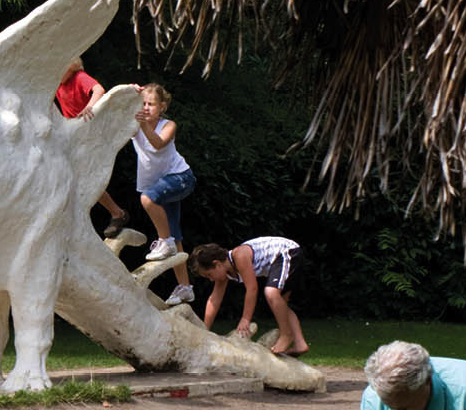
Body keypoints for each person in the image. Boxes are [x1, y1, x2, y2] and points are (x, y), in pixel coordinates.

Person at [188, 237, 309, 356]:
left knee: (271, 292)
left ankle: (286, 335)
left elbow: (252, 288)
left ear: (217, 264)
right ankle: (300, 343)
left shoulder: (239, 256)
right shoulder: (224, 273)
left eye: (209, 275)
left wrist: (245, 318)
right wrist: (204, 330)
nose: (210, 279)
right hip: (279, 260)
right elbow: (214, 299)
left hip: (287, 251)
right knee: (280, 302)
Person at [133, 83, 195, 305]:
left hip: (181, 178)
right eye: (143, 104)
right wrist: (129, 91)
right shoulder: (134, 125)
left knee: (147, 199)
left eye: (151, 104)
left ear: (162, 107)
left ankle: (164, 241)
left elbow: (158, 144)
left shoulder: (168, 125)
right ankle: (185, 287)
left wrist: (142, 124)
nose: (146, 108)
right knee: (176, 237)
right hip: (161, 185)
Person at [56, 58, 130, 238]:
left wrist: (89, 107)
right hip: (74, 135)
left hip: (91, 133)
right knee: (77, 177)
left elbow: (99, 90)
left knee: (87, 177)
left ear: (71, 68)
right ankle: (114, 212)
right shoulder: (57, 84)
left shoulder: (79, 77)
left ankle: (117, 213)